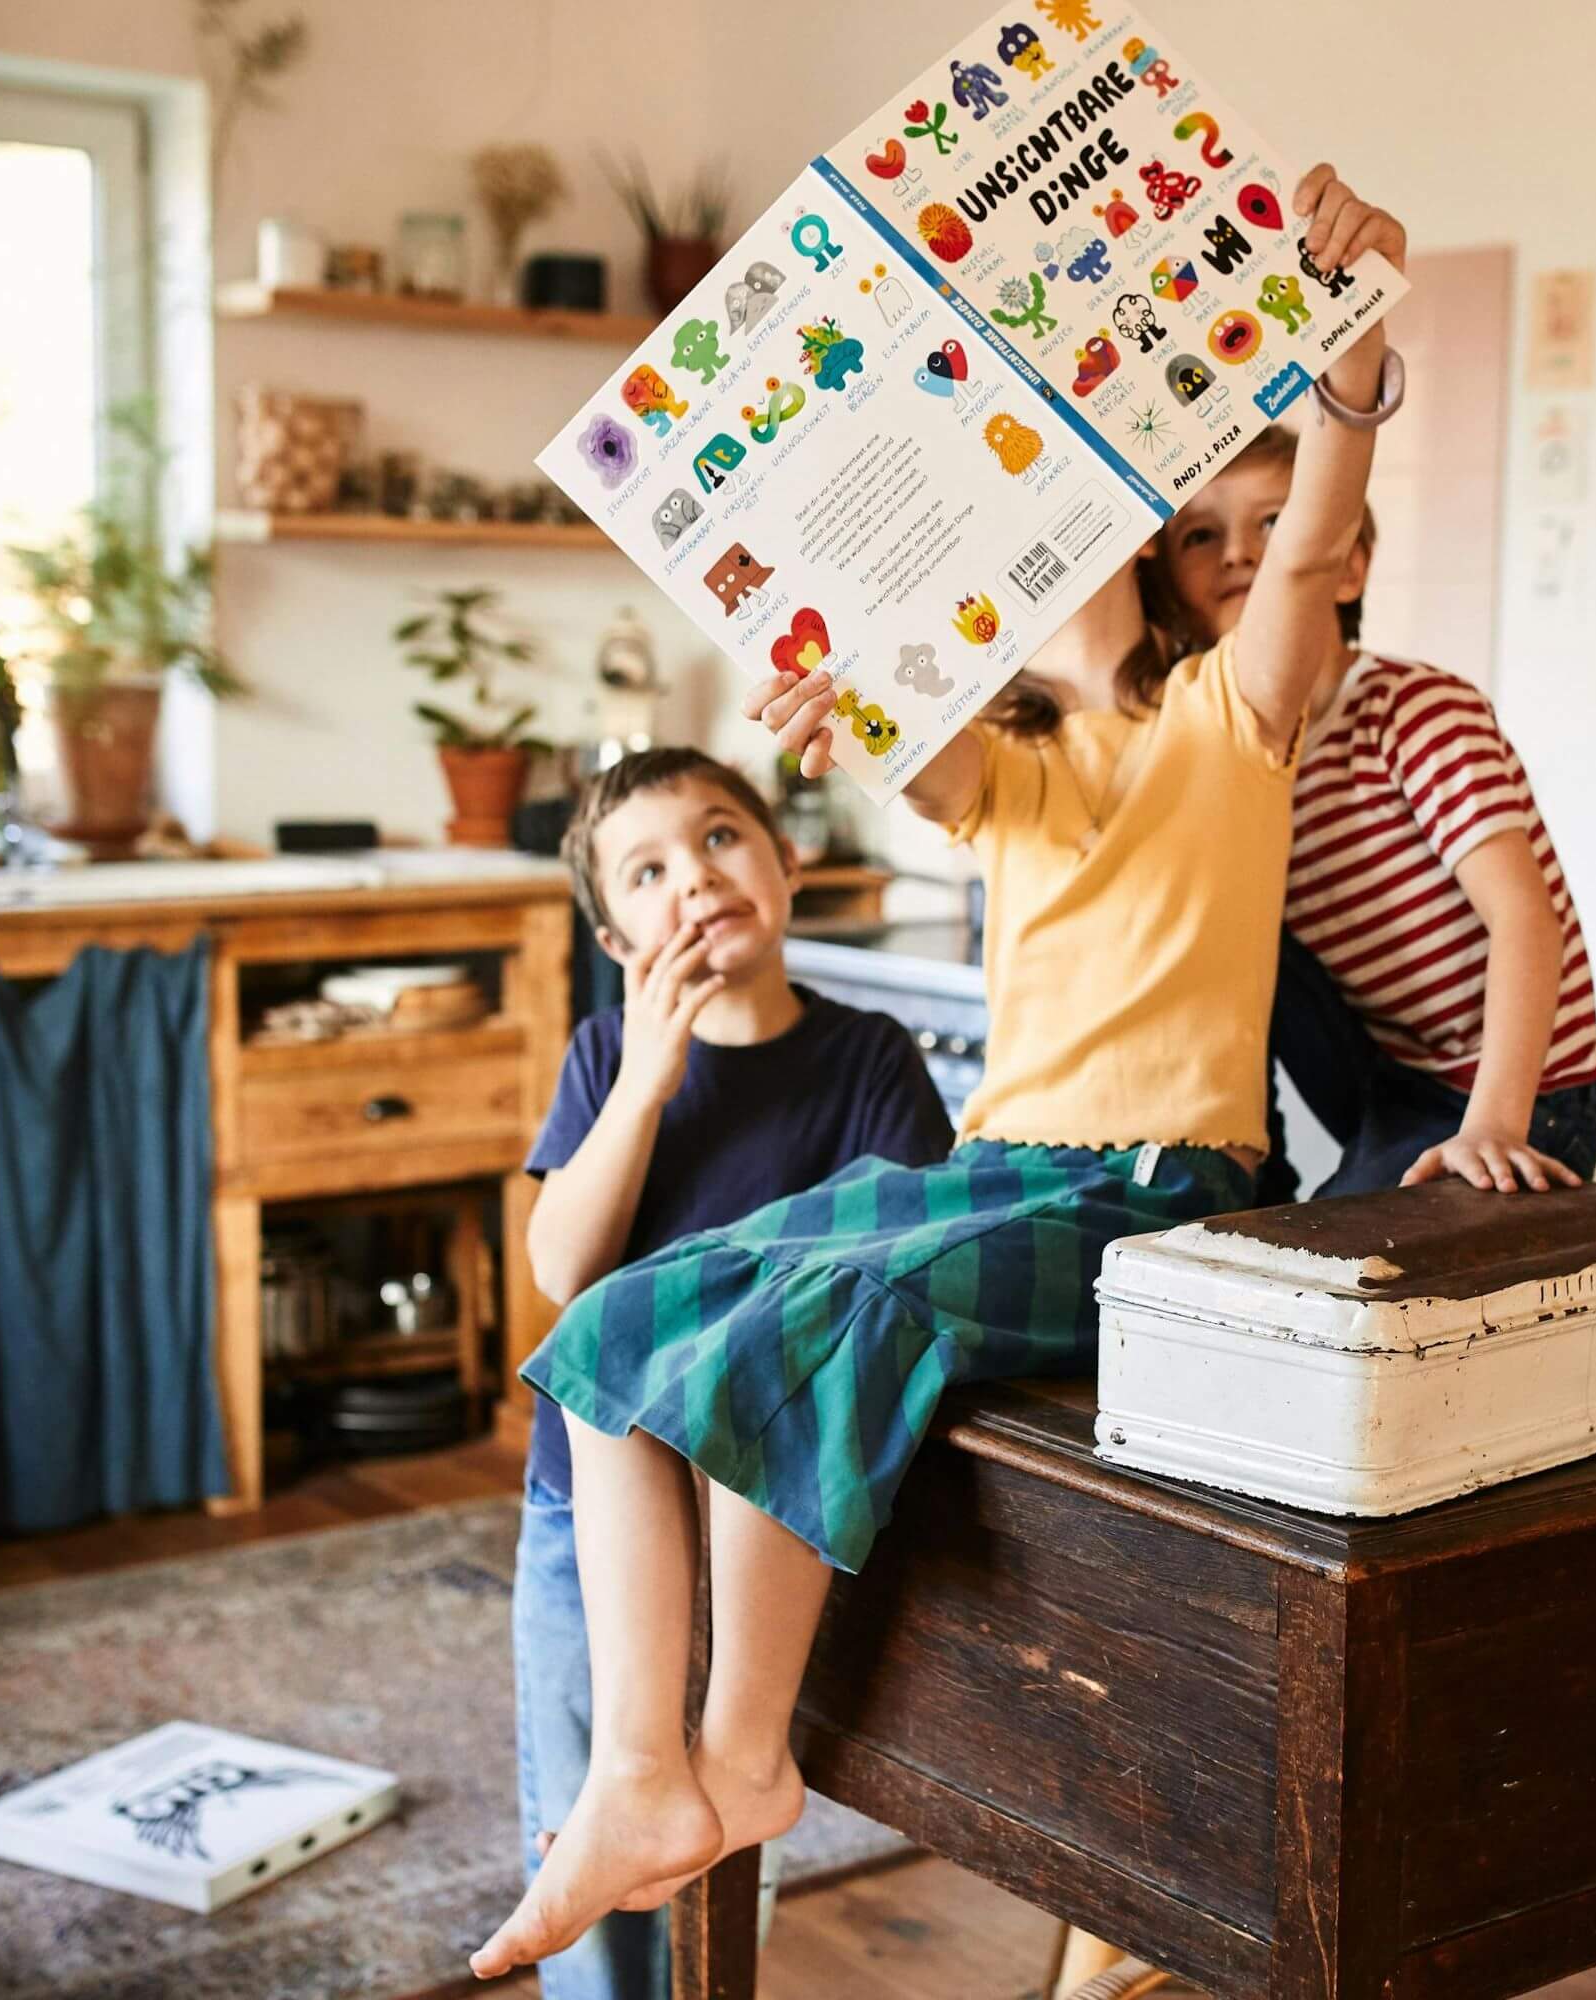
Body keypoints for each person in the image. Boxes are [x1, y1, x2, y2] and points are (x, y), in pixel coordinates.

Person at [471, 162, 1406, 1980]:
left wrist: (1356, 336)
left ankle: (741, 1758)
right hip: (1005, 1167)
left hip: (1162, 1180)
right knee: (611, 1334)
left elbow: (1305, 536)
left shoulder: (1237, 713)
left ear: (1129, 565)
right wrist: (810, 666)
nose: (1010, 600)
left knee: (821, 1326)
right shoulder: (1006, 769)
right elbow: (872, 687)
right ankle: (645, 1774)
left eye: (1049, 559)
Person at [510, 746, 951, 2000]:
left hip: (755, 1528)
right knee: (589, 1826)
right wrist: (650, 1078)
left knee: (714, 1843)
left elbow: (894, 1269)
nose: (693, 881)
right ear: (613, 930)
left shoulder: (868, 1059)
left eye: (718, 838)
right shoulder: (607, 1050)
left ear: (786, 859)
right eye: (647, 870)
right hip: (580, 1522)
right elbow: (560, 1267)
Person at [1154, 432, 1596, 1198]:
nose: (1237, 553)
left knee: (1338, 1268)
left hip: (1523, 1091)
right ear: (1169, 594)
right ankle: (1251, 1179)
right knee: (1235, 924)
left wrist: (1495, 1124)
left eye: (1274, 522)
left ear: (1348, 567)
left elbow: (1525, 918)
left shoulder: (1413, 710)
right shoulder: (1223, 756)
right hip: (1388, 1077)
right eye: (1201, 535)